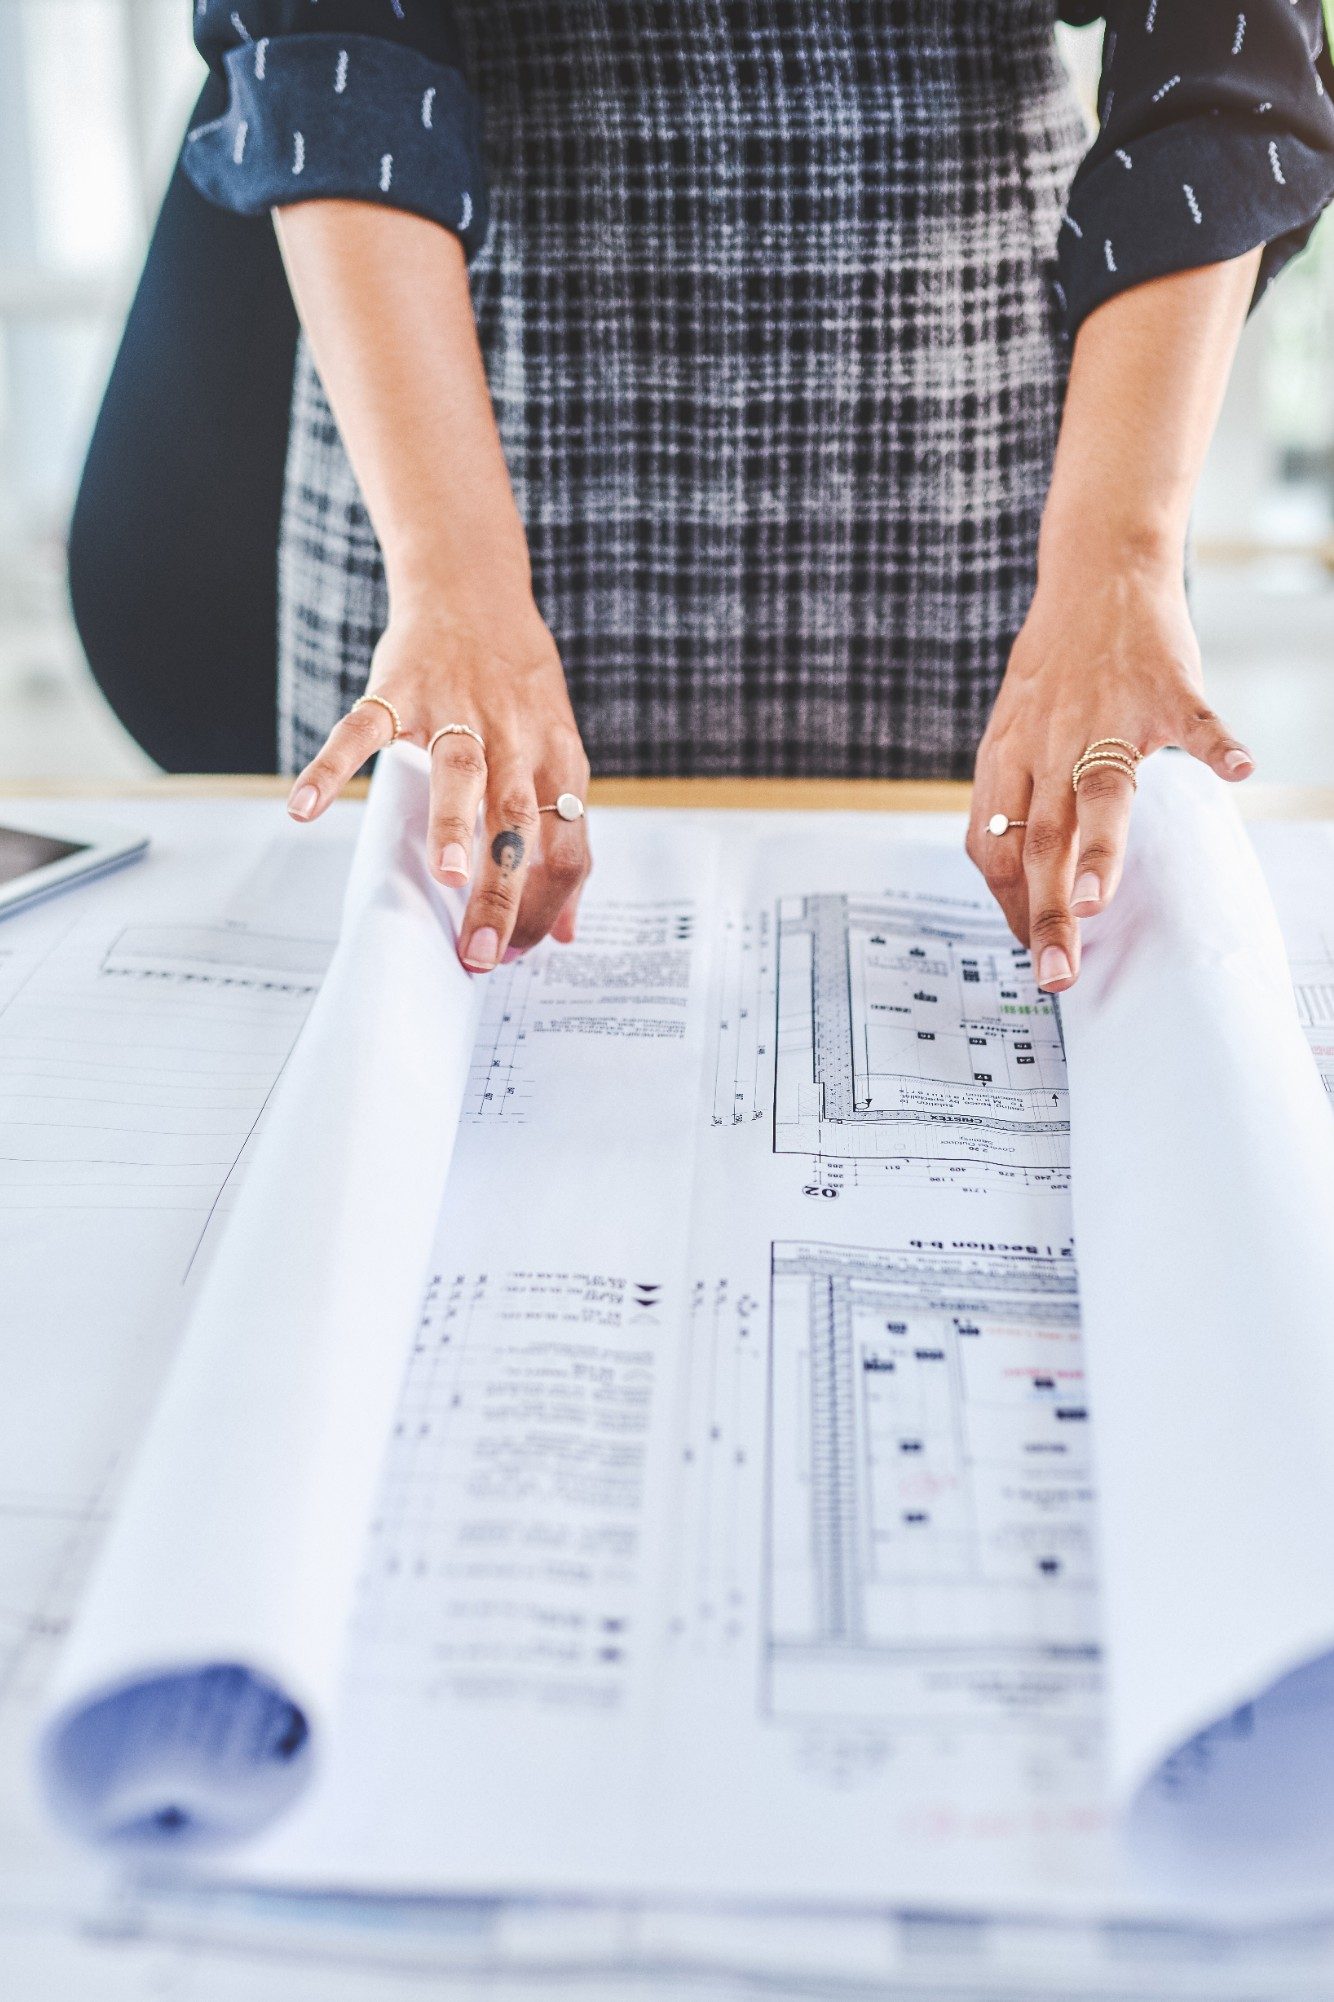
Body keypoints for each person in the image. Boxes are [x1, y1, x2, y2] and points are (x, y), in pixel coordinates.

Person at [184, 2, 1334, 986]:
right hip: (456, 410)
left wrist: (1117, 557)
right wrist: (449, 576)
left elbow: (1216, 45)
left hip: (989, 450)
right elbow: (327, 44)